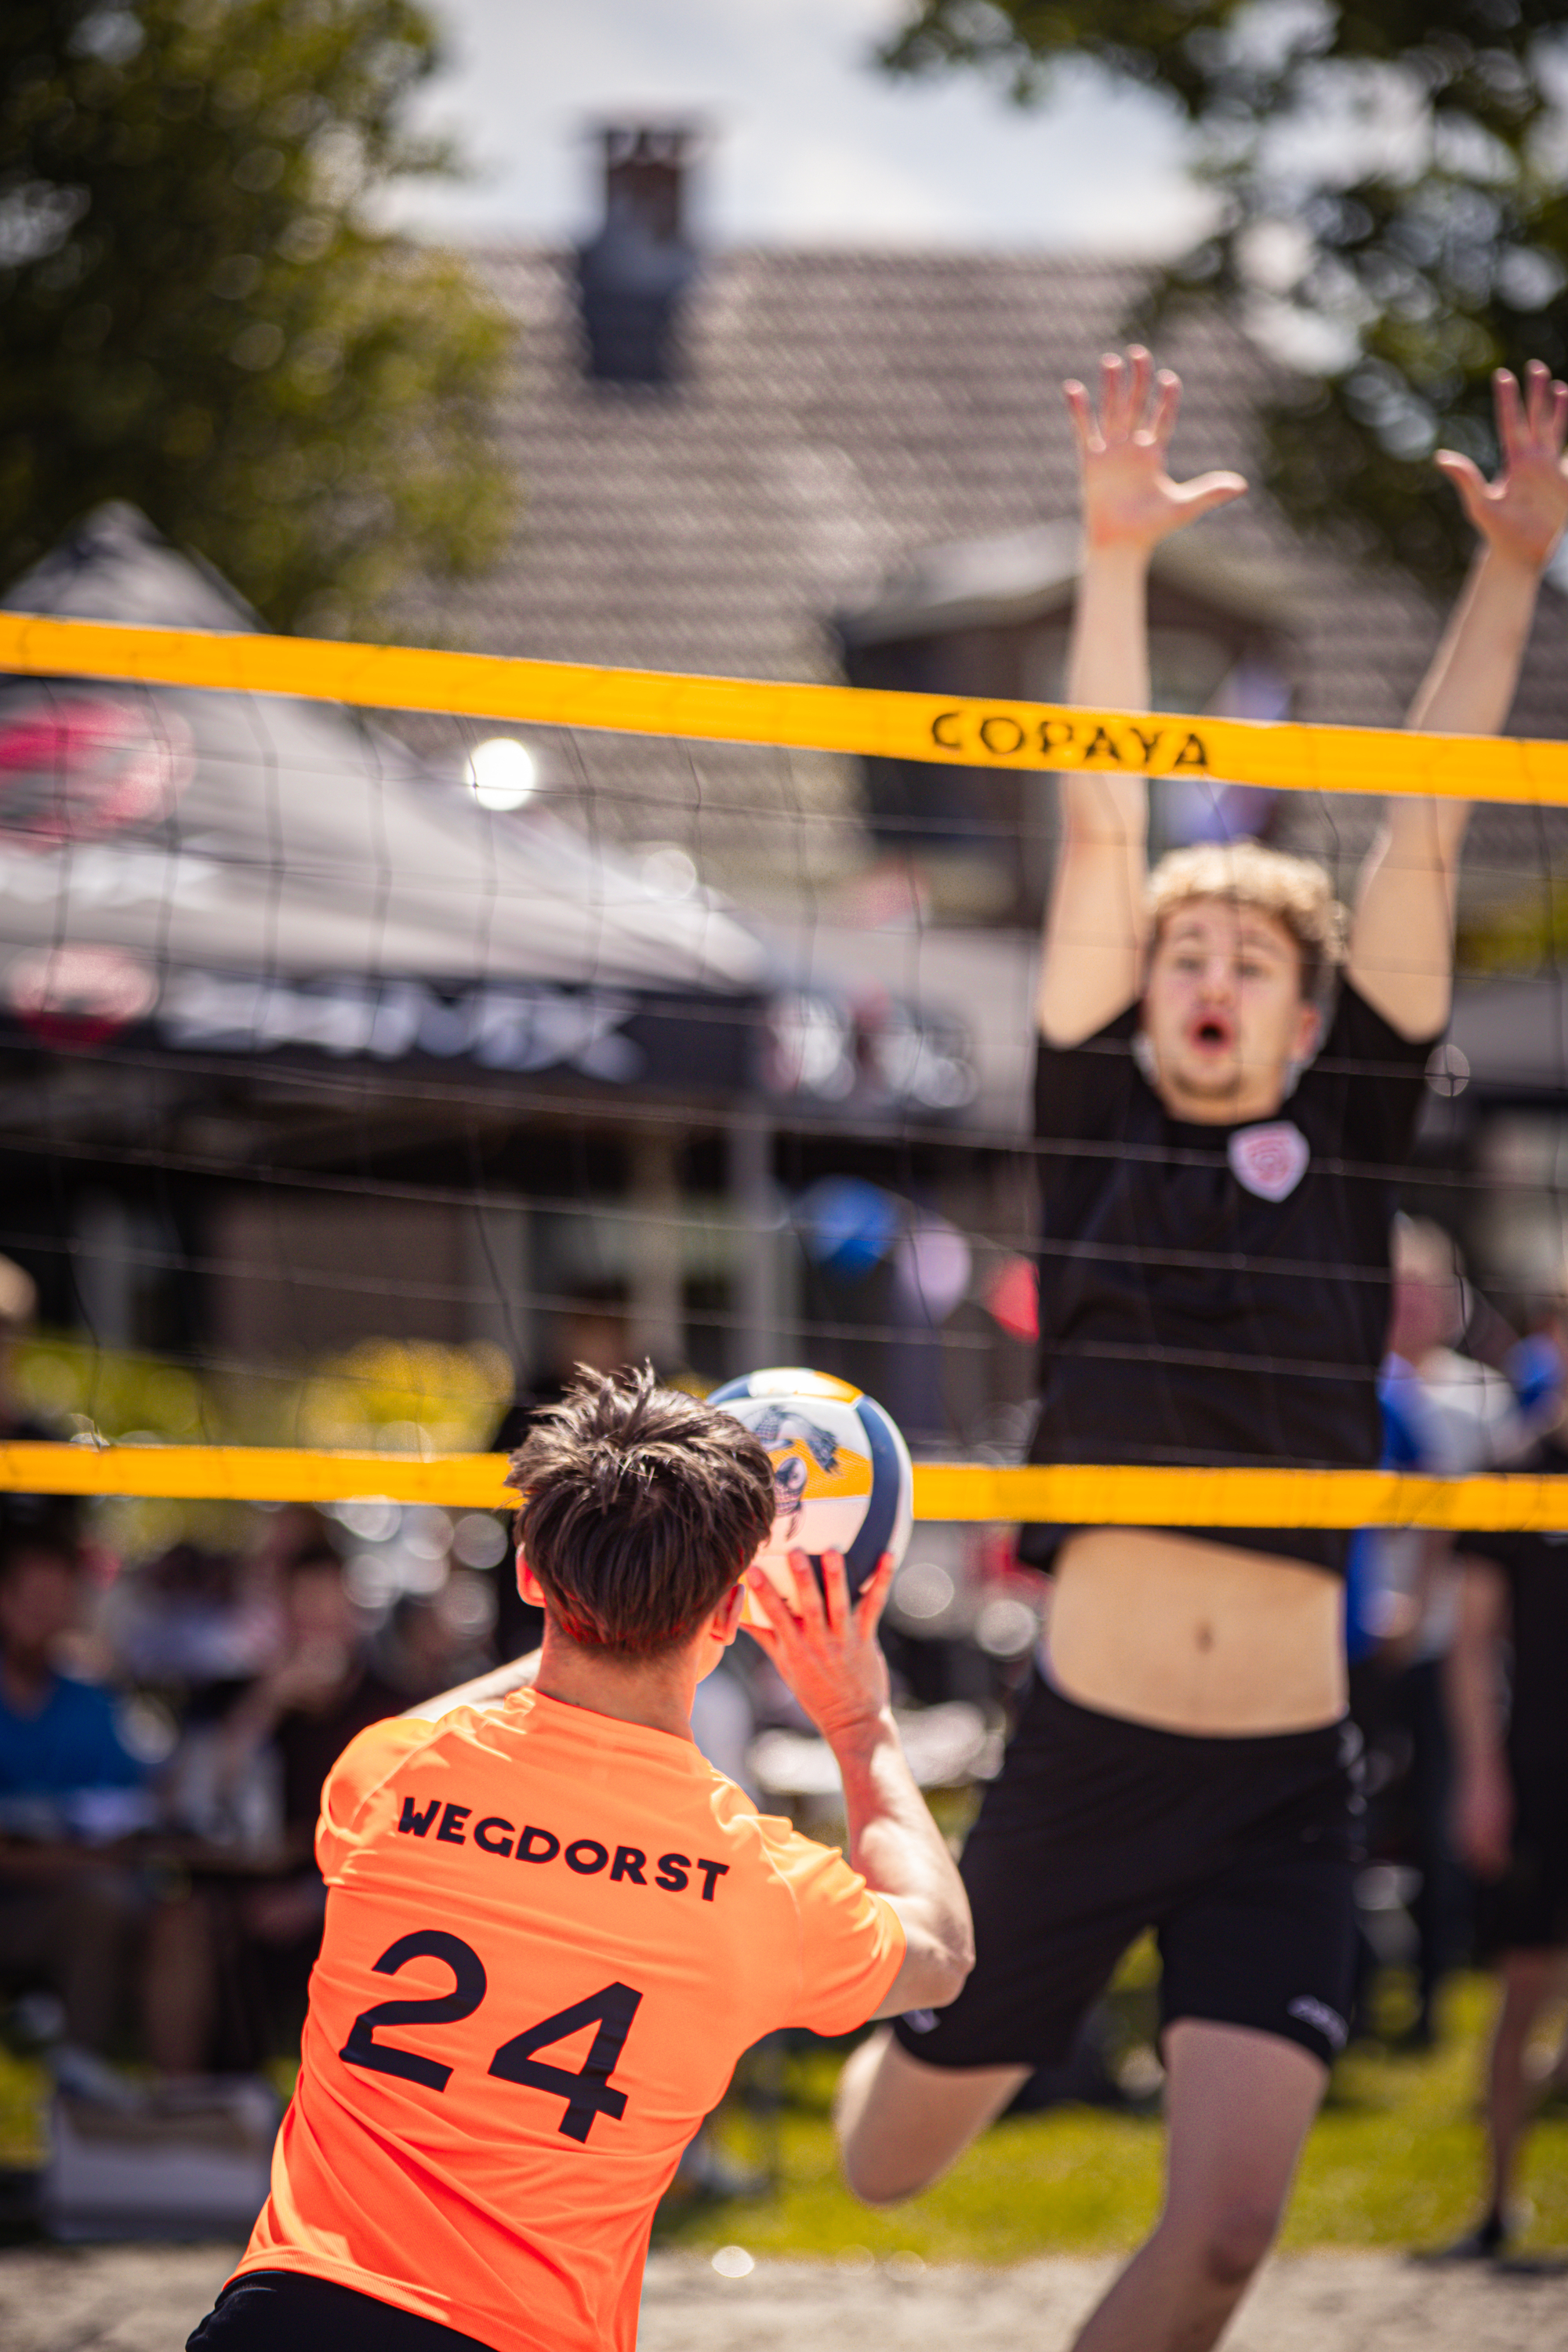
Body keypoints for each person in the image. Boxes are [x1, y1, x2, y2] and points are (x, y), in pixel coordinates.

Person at [835, 348, 1568, 2351]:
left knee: (1230, 2234)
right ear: (1139, 987)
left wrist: (1507, 568)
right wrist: (1109, 557)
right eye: (1181, 947)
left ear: (1302, 996)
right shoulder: (1087, 1114)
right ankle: (883, 2011)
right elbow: (1094, 828)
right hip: (1085, 1766)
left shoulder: (1343, 1134)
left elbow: (1416, 833)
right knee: (882, 2164)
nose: (1205, 967)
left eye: (1245, 949)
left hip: (1281, 1779)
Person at [187, 1366, 970, 2352]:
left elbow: (434, 1719)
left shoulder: (386, 1775)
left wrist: (596, 1587)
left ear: (525, 1576)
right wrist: (859, 1724)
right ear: (728, 1618)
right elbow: (939, 1949)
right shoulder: (757, 1883)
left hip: (288, 2315)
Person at [1440, 1296, 1568, 2261]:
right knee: (1522, 1989)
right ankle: (1496, 2205)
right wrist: (1478, 1776)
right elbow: (1469, 1648)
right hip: (1536, 1774)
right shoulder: (1515, 1476)